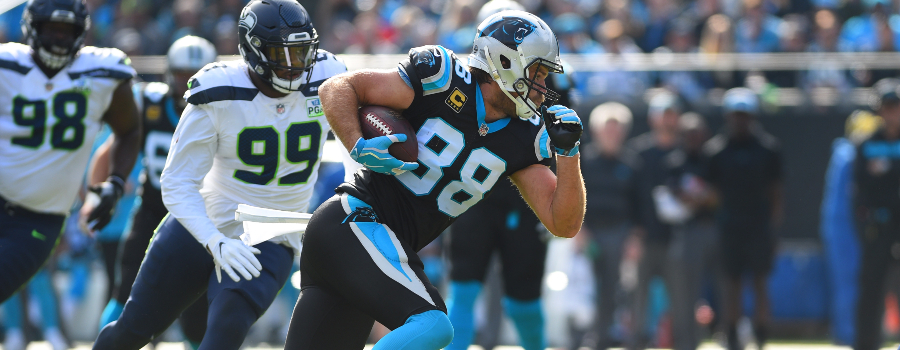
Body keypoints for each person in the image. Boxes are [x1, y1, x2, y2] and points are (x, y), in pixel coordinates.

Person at [283, 10, 586, 350]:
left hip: (367, 245)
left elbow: (563, 222)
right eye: (538, 73)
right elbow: (339, 87)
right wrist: (356, 144)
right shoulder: (442, 79)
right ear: (505, 61)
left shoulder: (524, 137)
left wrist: (568, 153)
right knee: (433, 324)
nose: (543, 87)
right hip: (353, 221)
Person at [91, 1, 347, 349]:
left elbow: (358, 140)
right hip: (201, 226)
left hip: (271, 233)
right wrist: (214, 239)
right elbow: (177, 182)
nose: (294, 66)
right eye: (280, 53)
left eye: (301, 53)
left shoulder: (329, 77)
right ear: (252, 51)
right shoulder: (219, 91)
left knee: (223, 333)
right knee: (133, 329)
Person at [0, 0, 140, 303]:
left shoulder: (105, 72)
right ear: (31, 28)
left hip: (37, 220)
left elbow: (129, 131)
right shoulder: (6, 65)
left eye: (67, 31)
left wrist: (115, 183)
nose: (59, 38)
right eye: (51, 29)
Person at [94, 35, 219, 347]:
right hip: (152, 209)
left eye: (195, 75)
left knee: (199, 307)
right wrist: (95, 196)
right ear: (168, 74)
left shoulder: (226, 109)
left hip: (203, 216)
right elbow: (110, 151)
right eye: (180, 75)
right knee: (126, 293)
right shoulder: (149, 103)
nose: (187, 83)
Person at [704, 87, 783, 350]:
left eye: (744, 115)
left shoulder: (768, 149)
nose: (740, 120)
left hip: (759, 227)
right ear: (728, 116)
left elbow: (776, 192)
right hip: (729, 228)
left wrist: (772, 229)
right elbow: (711, 192)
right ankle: (733, 338)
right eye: (735, 115)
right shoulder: (716, 150)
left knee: (760, 284)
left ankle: (761, 338)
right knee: (731, 286)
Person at [579, 101, 641, 350]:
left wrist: (635, 238)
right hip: (586, 234)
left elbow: (639, 205)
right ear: (595, 131)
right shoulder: (583, 161)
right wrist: (578, 231)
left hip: (619, 233)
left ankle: (603, 339)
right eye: (607, 129)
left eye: (617, 129)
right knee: (583, 289)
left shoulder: (631, 164)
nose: (612, 135)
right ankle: (580, 338)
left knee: (613, 290)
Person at [626, 90, 682, 349]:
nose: (667, 121)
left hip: (678, 240)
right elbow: (631, 197)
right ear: (653, 118)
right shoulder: (639, 153)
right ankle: (638, 342)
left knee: (680, 298)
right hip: (645, 238)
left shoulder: (685, 152)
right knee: (639, 297)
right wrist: (634, 236)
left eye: (671, 115)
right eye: (663, 115)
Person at [663, 112, 719, 350]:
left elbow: (718, 197)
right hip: (687, 233)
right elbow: (679, 197)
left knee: (723, 287)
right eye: (688, 134)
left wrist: (702, 198)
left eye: (697, 134)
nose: (693, 138)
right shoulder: (675, 162)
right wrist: (702, 198)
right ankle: (687, 343)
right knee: (686, 294)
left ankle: (726, 336)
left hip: (715, 231)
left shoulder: (714, 160)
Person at [853, 78, 900, 350]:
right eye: (888, 106)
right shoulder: (866, 144)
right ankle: (866, 344)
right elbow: (861, 188)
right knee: (871, 286)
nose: (892, 112)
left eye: (896, 106)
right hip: (878, 225)